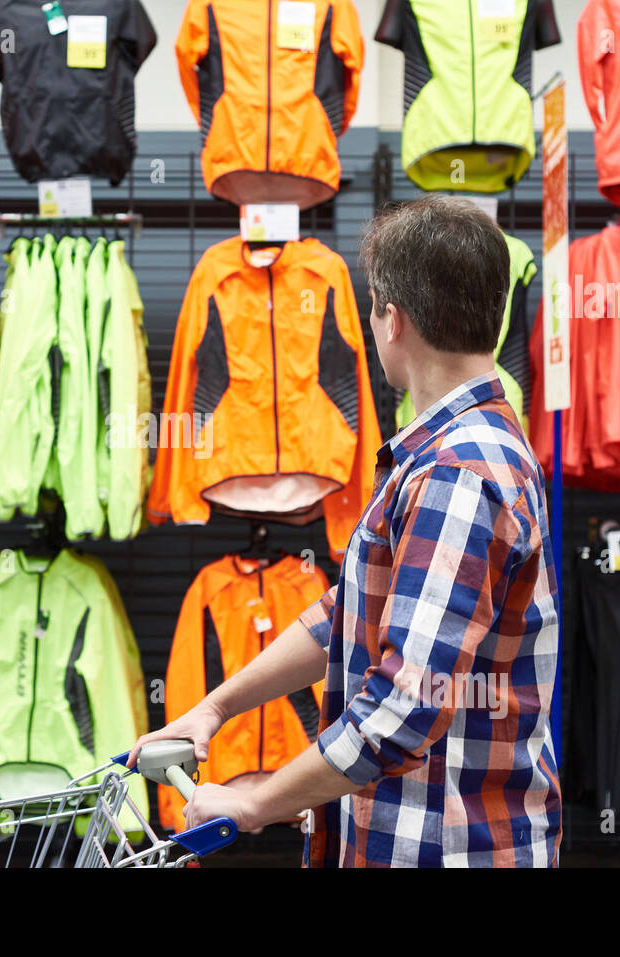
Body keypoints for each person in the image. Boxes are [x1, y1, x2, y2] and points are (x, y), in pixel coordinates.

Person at [128, 195, 563, 867]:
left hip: (444, 849)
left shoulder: (457, 472)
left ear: (393, 321)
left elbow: (403, 706)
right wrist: (214, 708)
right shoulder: (444, 452)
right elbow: (346, 612)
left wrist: (253, 801)